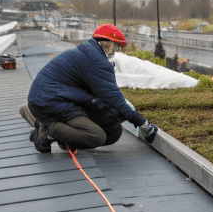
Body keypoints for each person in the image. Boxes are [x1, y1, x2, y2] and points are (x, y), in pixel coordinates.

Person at [20, 24, 158, 153]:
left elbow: (108, 95)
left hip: (56, 98)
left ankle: (66, 139)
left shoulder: (89, 52)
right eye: (115, 46)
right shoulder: (96, 61)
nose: (114, 51)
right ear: (105, 43)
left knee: (113, 132)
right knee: (96, 136)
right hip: (51, 104)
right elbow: (115, 99)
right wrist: (144, 124)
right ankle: (46, 129)